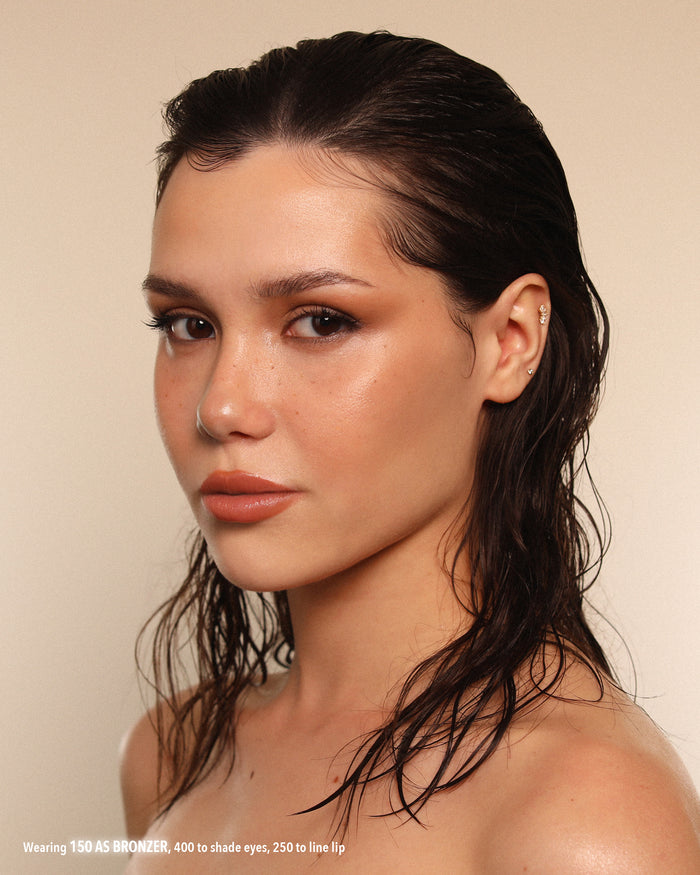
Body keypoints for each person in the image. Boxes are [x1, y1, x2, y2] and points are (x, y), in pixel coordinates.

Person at [121, 30, 700, 872]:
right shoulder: (170, 755)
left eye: (321, 320)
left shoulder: (583, 823)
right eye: (188, 324)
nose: (221, 406)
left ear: (509, 340)